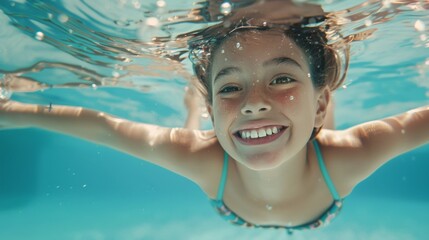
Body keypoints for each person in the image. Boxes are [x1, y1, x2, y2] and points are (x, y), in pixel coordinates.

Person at [1, 0, 428, 234]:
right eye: (228, 87)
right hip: (249, 171)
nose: (252, 102)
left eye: (281, 77)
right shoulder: (203, 157)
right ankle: (221, 104)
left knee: (316, 133)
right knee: (197, 138)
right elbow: (103, 125)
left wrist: (17, 111)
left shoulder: (348, 154)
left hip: (311, 153)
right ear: (212, 107)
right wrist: (16, 113)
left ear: (320, 103)